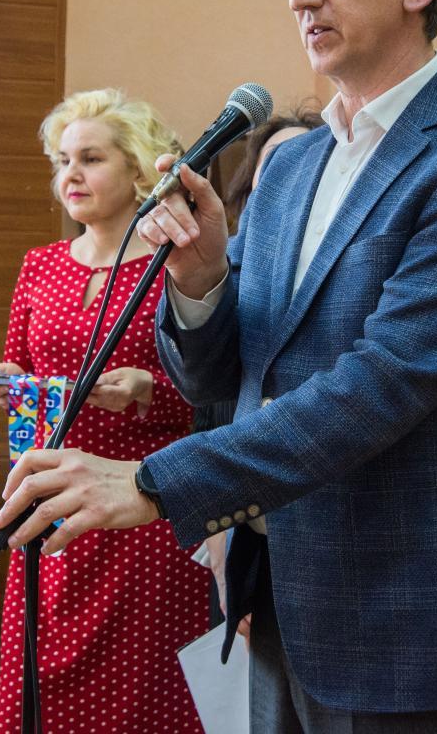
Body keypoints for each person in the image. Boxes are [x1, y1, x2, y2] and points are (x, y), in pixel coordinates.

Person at [0, 0, 437, 732]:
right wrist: (202, 282)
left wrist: (154, 483)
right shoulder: (291, 165)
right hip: (277, 597)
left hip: (411, 617)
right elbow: (222, 378)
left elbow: (382, 385)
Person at [0, 88, 209, 734]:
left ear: (137, 168)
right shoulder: (38, 266)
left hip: (142, 515)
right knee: (42, 690)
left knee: (139, 699)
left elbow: (219, 396)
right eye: (63, 161)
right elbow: (19, 368)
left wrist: (149, 390)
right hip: (49, 510)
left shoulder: (176, 268)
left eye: (90, 158)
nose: (71, 175)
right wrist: (8, 384)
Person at [197, 107, 322, 629]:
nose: (284, 178)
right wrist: (219, 534)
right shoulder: (226, 275)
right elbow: (211, 415)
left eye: (301, 162)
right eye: (271, 169)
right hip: (237, 524)